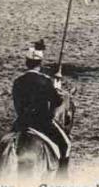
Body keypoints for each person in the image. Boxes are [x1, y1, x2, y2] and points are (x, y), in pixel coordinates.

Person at [11, 40, 70, 172]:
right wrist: (56, 86)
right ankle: (62, 178)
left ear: (26, 63)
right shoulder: (45, 81)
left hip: (21, 123)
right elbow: (57, 102)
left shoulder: (17, 81)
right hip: (42, 124)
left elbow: (16, 103)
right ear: (40, 63)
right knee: (66, 144)